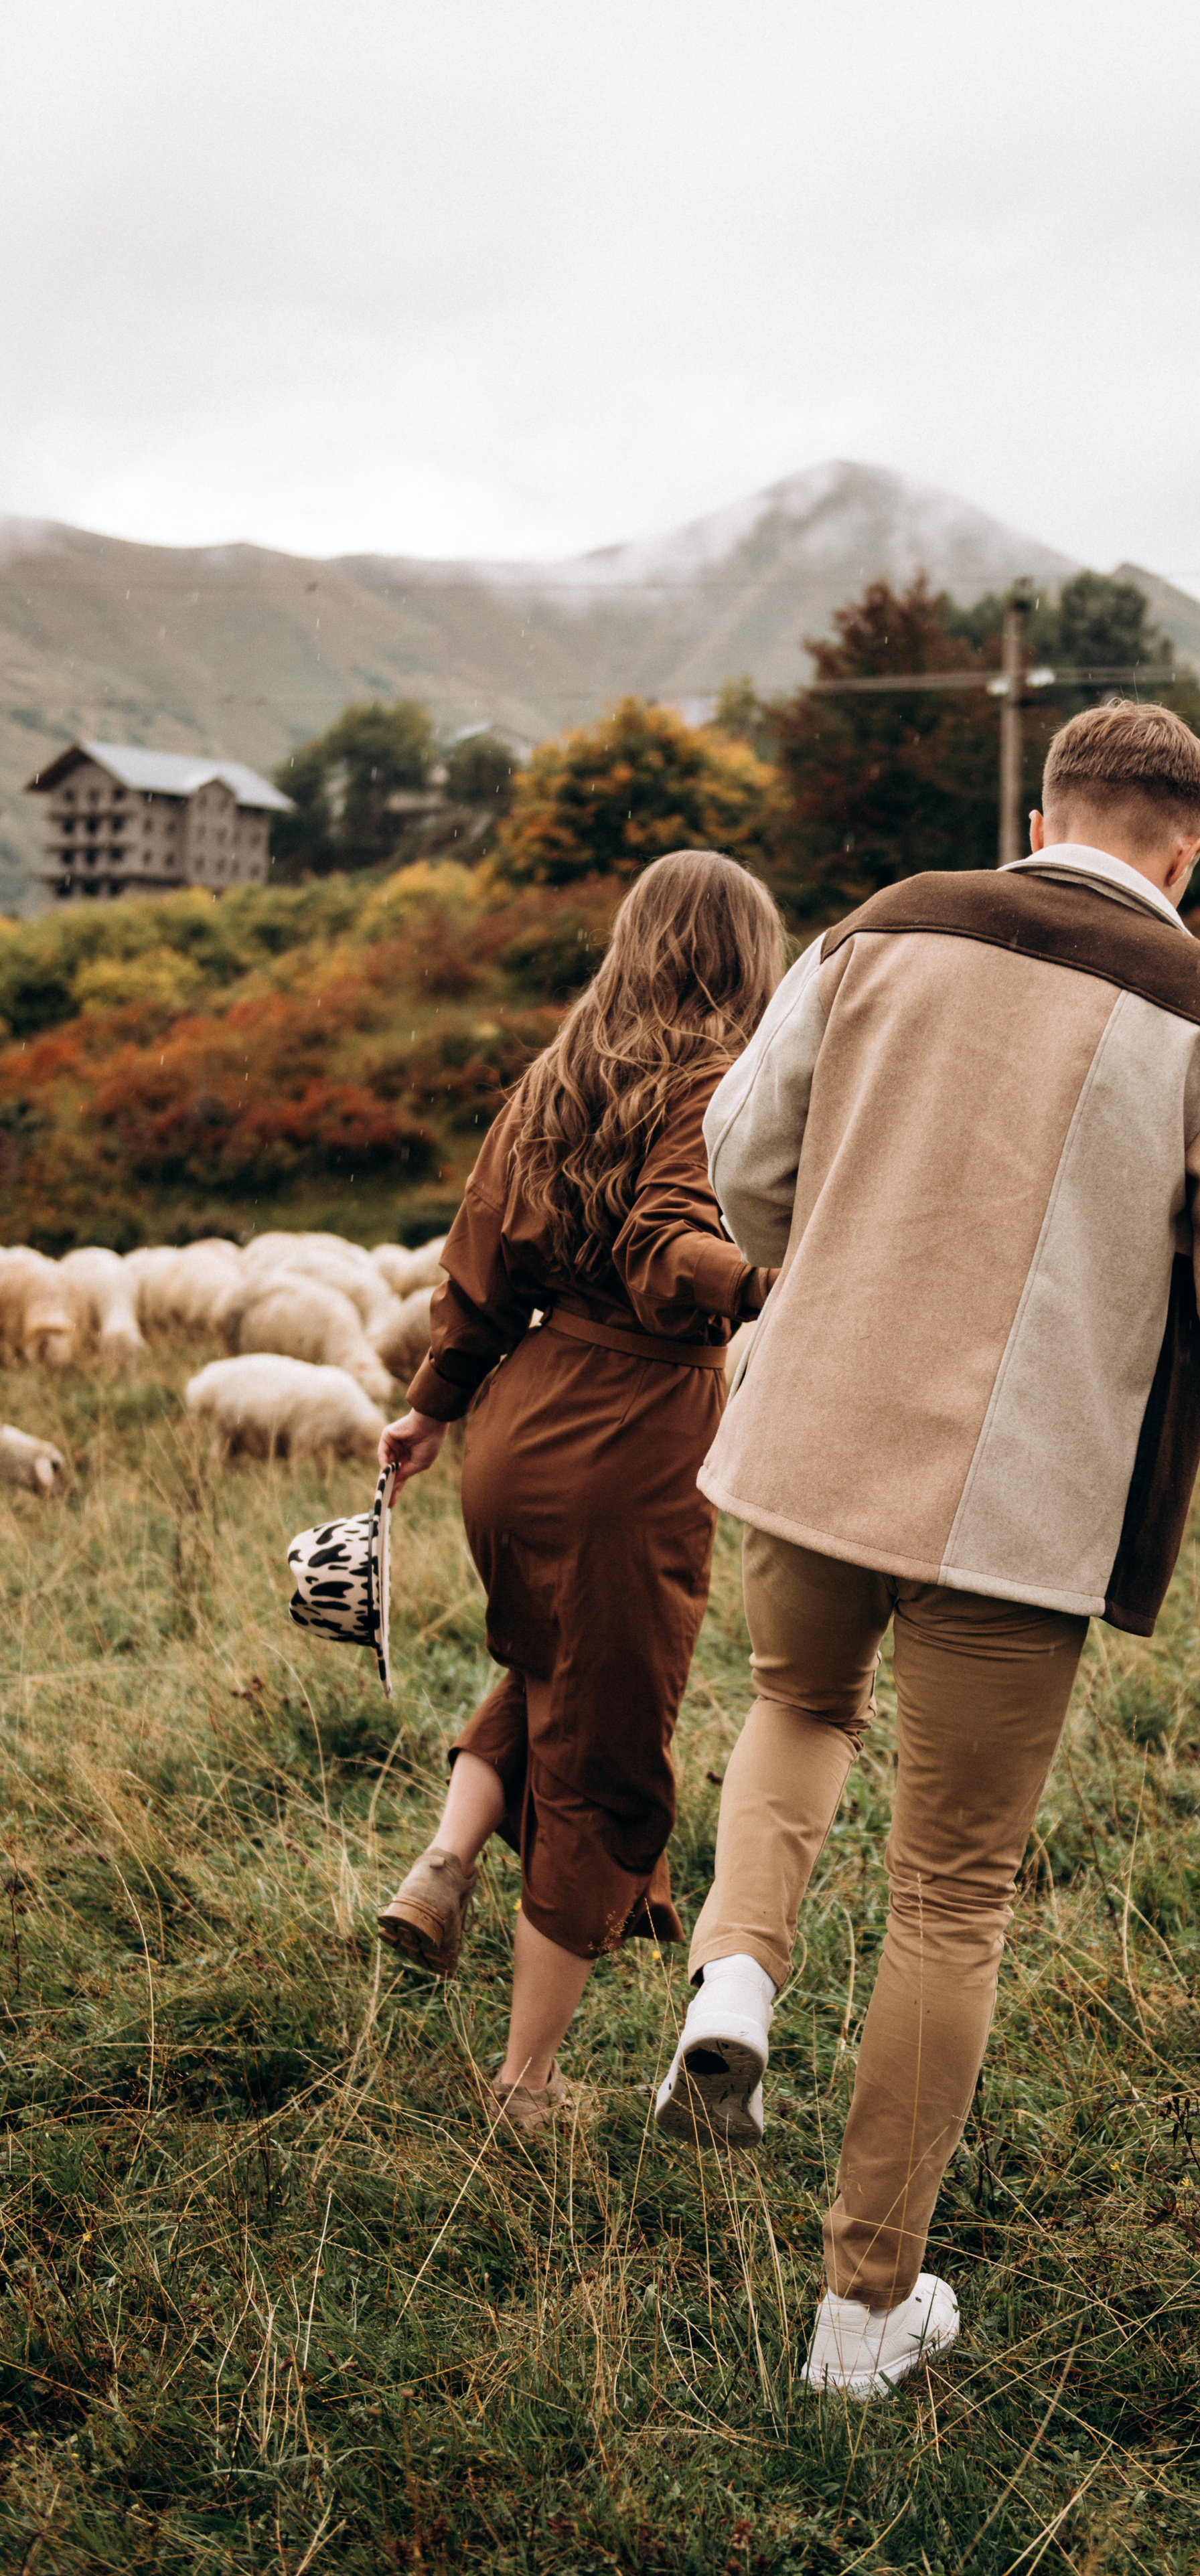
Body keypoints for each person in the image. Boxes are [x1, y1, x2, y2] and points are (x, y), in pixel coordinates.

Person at [654, 702, 1200, 2398]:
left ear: (1039, 807)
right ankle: (857, 2316)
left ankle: (735, 1975)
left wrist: (811, 1275)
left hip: (811, 1430)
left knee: (794, 1699)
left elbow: (738, 1153)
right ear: (1186, 850)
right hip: (1022, 1498)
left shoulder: (885, 920)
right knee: (950, 1891)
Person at [374, 849, 784, 2132]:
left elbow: (480, 1265)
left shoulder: (557, 1075)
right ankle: (528, 2083)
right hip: (632, 1430)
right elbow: (675, 1253)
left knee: (557, 1668)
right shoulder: (720, 1080)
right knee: (607, 1745)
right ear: (744, 958)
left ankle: (447, 1861)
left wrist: (433, 1409)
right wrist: (779, 1283)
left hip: (517, 1423)